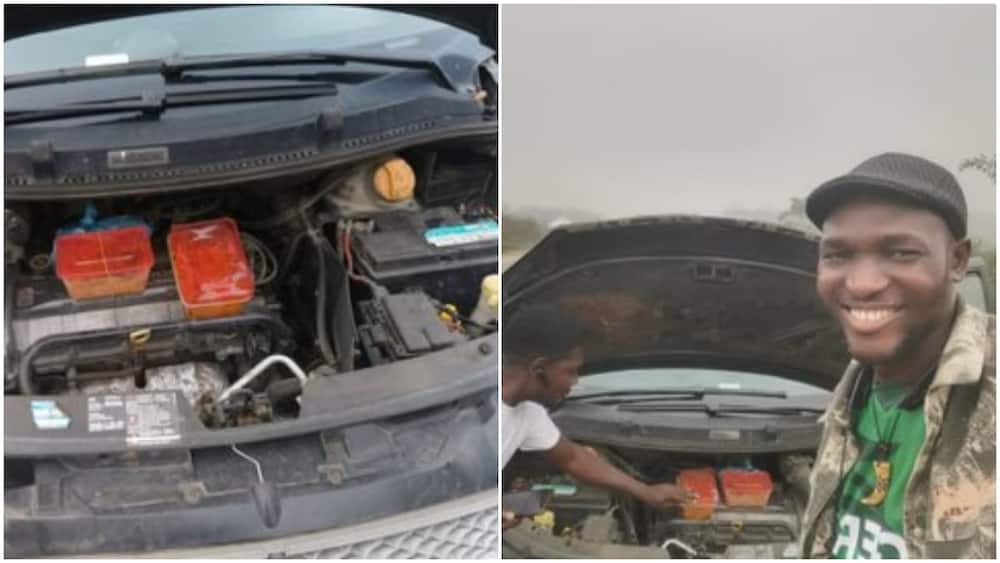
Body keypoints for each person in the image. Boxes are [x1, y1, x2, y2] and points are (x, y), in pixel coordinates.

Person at [798, 152, 995, 558]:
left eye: (901, 253)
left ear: (956, 260)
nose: (862, 283)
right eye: (838, 255)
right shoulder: (851, 393)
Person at [501, 304, 690, 528]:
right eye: (570, 371)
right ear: (539, 368)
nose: (575, 381)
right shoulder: (479, 416)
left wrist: (645, 491)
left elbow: (573, 457)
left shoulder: (529, 413)